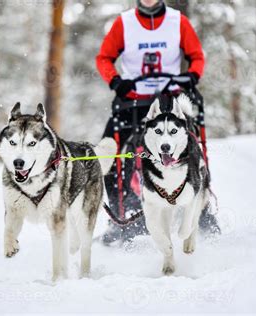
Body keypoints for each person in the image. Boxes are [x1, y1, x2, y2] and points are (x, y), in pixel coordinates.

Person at [96, 0, 206, 244]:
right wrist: (115, 81)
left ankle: (200, 209)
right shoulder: (124, 22)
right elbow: (104, 58)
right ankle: (120, 216)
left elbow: (197, 57)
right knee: (109, 152)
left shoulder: (178, 21)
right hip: (132, 100)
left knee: (191, 145)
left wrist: (191, 76)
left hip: (170, 98)